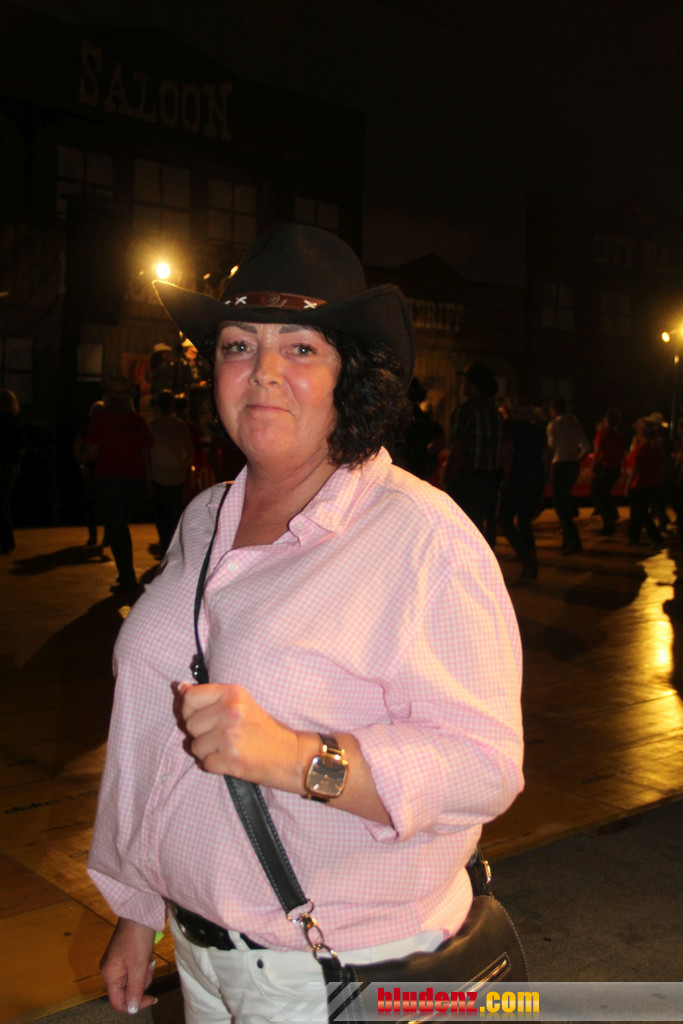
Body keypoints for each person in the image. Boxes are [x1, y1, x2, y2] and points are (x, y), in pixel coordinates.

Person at [88, 224, 524, 1024]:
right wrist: (138, 909)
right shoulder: (204, 518)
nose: (261, 372)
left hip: (339, 965)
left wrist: (298, 758)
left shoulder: (421, 536)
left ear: (350, 377)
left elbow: (485, 767)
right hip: (199, 954)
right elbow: (153, 734)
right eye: (237, 345)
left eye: (299, 348)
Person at [84, 375, 153, 592]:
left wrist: (82, 456)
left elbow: (92, 452)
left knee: (116, 528)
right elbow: (146, 454)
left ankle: (127, 576)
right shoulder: (138, 421)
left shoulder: (101, 419)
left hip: (109, 478)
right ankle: (126, 575)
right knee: (121, 526)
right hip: (135, 479)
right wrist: (148, 482)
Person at [443, 361, 503, 548]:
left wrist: (448, 478)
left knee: (464, 529)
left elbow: (458, 450)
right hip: (490, 480)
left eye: (466, 381)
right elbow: (504, 449)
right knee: (485, 529)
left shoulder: (464, 411)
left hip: (468, 482)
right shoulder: (496, 413)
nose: (463, 385)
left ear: (474, 384)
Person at [498, 401, 548, 579]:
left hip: (516, 479)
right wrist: (543, 479)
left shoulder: (509, 429)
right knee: (524, 521)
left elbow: (507, 454)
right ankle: (531, 559)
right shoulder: (538, 432)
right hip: (535, 479)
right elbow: (546, 456)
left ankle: (526, 557)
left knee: (504, 520)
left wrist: (505, 477)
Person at [148, 389, 194, 557]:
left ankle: (165, 545)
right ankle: (172, 548)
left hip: (158, 474)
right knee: (174, 513)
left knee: (161, 515)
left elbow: (147, 452)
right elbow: (189, 451)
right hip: (177, 475)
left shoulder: (152, 425)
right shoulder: (181, 425)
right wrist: (184, 468)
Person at [546, 397, 591, 555]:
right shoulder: (574, 423)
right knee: (565, 502)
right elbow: (587, 447)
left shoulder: (554, 425)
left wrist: (547, 466)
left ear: (553, 410)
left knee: (560, 506)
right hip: (572, 465)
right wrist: (576, 460)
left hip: (559, 465)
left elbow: (551, 447)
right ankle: (567, 541)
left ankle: (573, 541)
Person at [589, 409, 624, 535]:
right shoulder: (617, 435)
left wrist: (592, 467)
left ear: (607, 420)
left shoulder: (602, 433)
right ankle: (612, 518)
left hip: (604, 468)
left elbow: (597, 452)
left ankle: (608, 523)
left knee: (596, 494)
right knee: (605, 494)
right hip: (615, 469)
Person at [0, 389, 22, 555]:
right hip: (13, 465)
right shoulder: (16, 421)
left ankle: (7, 541)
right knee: (4, 501)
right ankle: (7, 541)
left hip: (4, 464)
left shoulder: (3, 421)